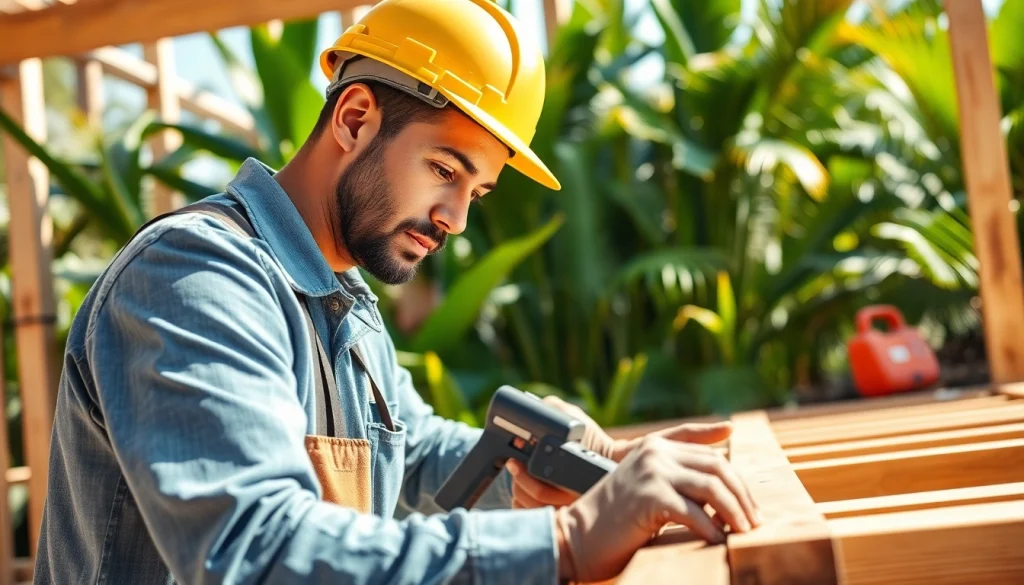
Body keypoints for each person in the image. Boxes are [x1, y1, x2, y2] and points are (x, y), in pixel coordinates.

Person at [34, 0, 760, 582]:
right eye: (446, 169)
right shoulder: (193, 278)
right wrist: (566, 540)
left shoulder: (343, 295)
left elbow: (406, 453)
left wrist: (561, 463)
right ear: (354, 119)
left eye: (476, 189)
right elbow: (251, 552)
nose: (456, 219)